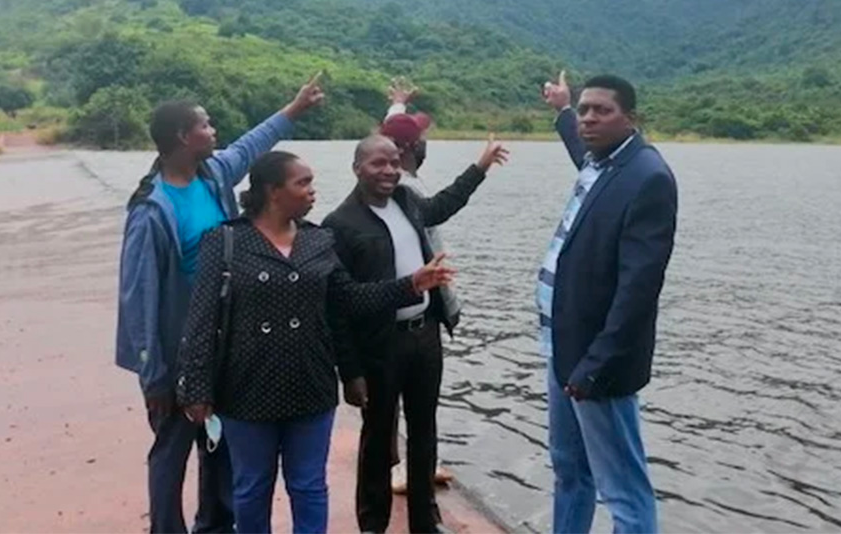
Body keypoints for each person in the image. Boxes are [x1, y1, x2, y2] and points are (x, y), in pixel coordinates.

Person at [175, 151, 456, 534]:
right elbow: (202, 318)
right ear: (274, 191)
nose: (312, 191)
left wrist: (411, 286)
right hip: (246, 386)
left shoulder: (318, 239)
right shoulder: (226, 241)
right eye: (302, 183)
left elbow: (349, 298)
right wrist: (196, 388)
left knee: (309, 486)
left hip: (310, 383)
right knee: (252, 486)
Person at [115, 75, 324, 534]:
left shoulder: (212, 176)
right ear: (182, 138)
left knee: (220, 446)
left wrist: (293, 110)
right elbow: (138, 297)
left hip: (222, 344)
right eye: (205, 126)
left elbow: (253, 146)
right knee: (172, 448)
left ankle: (215, 525)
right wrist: (153, 373)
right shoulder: (151, 209)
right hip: (174, 352)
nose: (214, 132)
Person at [323, 134, 508, 534]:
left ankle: (426, 520)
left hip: (424, 337)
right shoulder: (340, 224)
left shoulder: (407, 201)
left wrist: (479, 168)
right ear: (357, 168)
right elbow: (342, 302)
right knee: (377, 439)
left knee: (424, 430)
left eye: (393, 162)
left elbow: (442, 205)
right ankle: (373, 524)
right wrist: (349, 372)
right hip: (379, 346)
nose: (388, 171)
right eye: (378, 164)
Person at [539, 71, 678, 534]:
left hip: (598, 361)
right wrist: (562, 107)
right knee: (569, 471)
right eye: (584, 110)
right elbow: (579, 144)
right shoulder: (600, 161)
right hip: (562, 346)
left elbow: (638, 290)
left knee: (623, 489)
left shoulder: (648, 177)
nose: (589, 120)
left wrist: (596, 364)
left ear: (631, 118)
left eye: (602, 111)